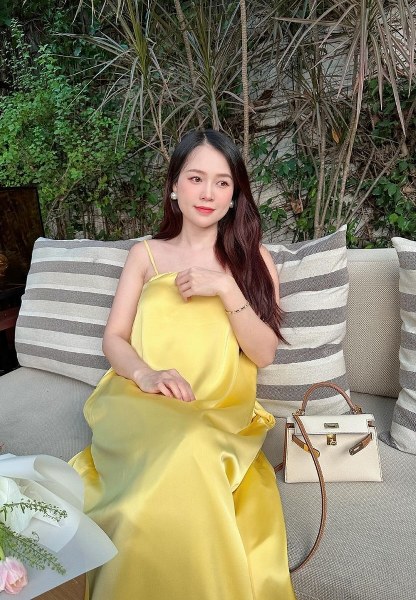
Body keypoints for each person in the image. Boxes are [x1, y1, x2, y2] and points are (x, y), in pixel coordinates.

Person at [71, 129, 296, 600]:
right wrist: (146, 374)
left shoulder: (254, 260)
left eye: (222, 182)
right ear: (174, 185)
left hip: (216, 403)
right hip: (141, 394)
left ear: (234, 195)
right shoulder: (145, 255)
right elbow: (114, 337)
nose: (208, 192)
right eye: (196, 178)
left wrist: (226, 287)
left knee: (191, 442)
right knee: (175, 447)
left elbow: (263, 354)